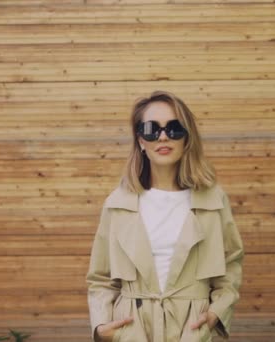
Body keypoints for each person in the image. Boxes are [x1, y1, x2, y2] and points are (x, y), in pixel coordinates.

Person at [86, 90, 244, 342]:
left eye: (174, 128)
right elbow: (100, 278)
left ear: (187, 137)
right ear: (140, 139)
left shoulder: (213, 200)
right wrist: (103, 326)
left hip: (192, 329)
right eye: (151, 129)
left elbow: (231, 263)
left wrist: (216, 313)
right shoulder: (118, 204)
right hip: (131, 329)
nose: (162, 136)